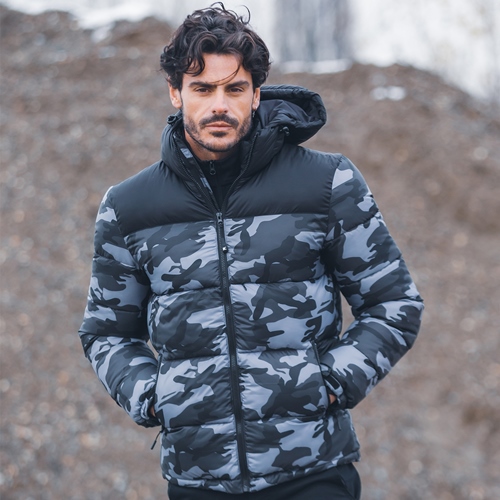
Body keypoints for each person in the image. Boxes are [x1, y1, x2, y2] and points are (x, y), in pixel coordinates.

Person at [78, 3, 424, 498]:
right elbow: (106, 332)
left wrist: (328, 382)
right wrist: (154, 396)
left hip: (312, 472)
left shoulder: (326, 183)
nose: (219, 104)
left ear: (256, 94)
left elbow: (394, 303)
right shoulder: (129, 207)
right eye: (203, 88)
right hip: (199, 479)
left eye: (235, 89)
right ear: (175, 92)